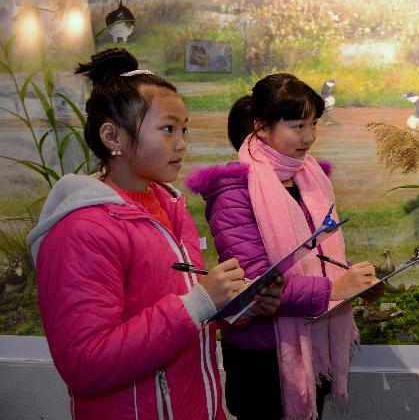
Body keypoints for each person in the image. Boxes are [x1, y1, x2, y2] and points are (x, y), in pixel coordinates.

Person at [28, 48, 281, 419]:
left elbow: (183, 310)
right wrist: (199, 304)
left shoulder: (170, 207)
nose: (181, 143)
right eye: (167, 129)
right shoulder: (81, 230)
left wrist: (240, 306)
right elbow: (85, 365)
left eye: (184, 130)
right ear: (112, 136)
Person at [186, 73, 380, 420]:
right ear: (261, 127)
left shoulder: (310, 179)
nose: (309, 137)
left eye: (313, 124)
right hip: (262, 352)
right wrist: (333, 289)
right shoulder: (235, 191)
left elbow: (317, 255)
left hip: (312, 338)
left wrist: (351, 282)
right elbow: (256, 284)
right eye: (296, 125)